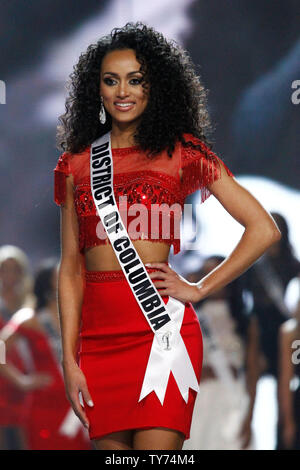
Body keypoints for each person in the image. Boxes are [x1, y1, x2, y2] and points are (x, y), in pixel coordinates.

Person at [53, 22, 281, 451]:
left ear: (154, 88)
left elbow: (263, 229)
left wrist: (199, 287)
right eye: (111, 80)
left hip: (162, 333)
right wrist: (69, 359)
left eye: (136, 80)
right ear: (97, 90)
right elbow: (71, 270)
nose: (123, 91)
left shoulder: (184, 152)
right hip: (98, 343)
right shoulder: (76, 166)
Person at [0, 258, 92, 450]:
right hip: (43, 406)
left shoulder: (83, 316)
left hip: (77, 406)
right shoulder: (29, 319)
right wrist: (22, 381)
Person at [183, 256, 259, 450]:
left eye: (217, 272)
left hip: (232, 397)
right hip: (198, 399)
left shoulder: (245, 321)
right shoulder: (189, 316)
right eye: (206, 273)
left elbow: (252, 372)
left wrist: (249, 418)